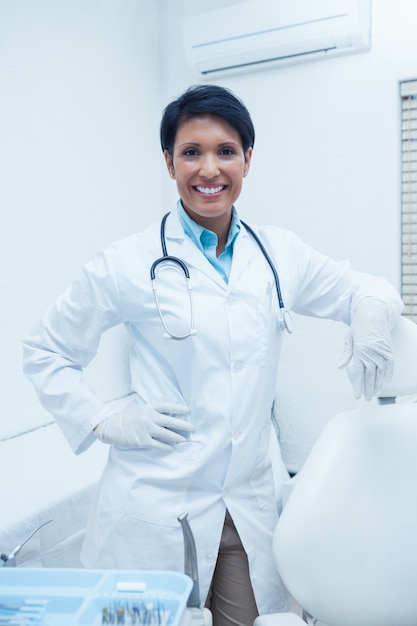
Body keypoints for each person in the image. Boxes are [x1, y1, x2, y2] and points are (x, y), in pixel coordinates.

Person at [22, 84, 403, 626]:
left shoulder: (279, 254)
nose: (209, 169)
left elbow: (366, 288)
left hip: (244, 505)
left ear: (248, 159)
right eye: (191, 152)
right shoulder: (127, 262)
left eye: (225, 151)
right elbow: (45, 350)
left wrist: (368, 316)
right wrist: (102, 417)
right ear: (168, 162)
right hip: (153, 504)